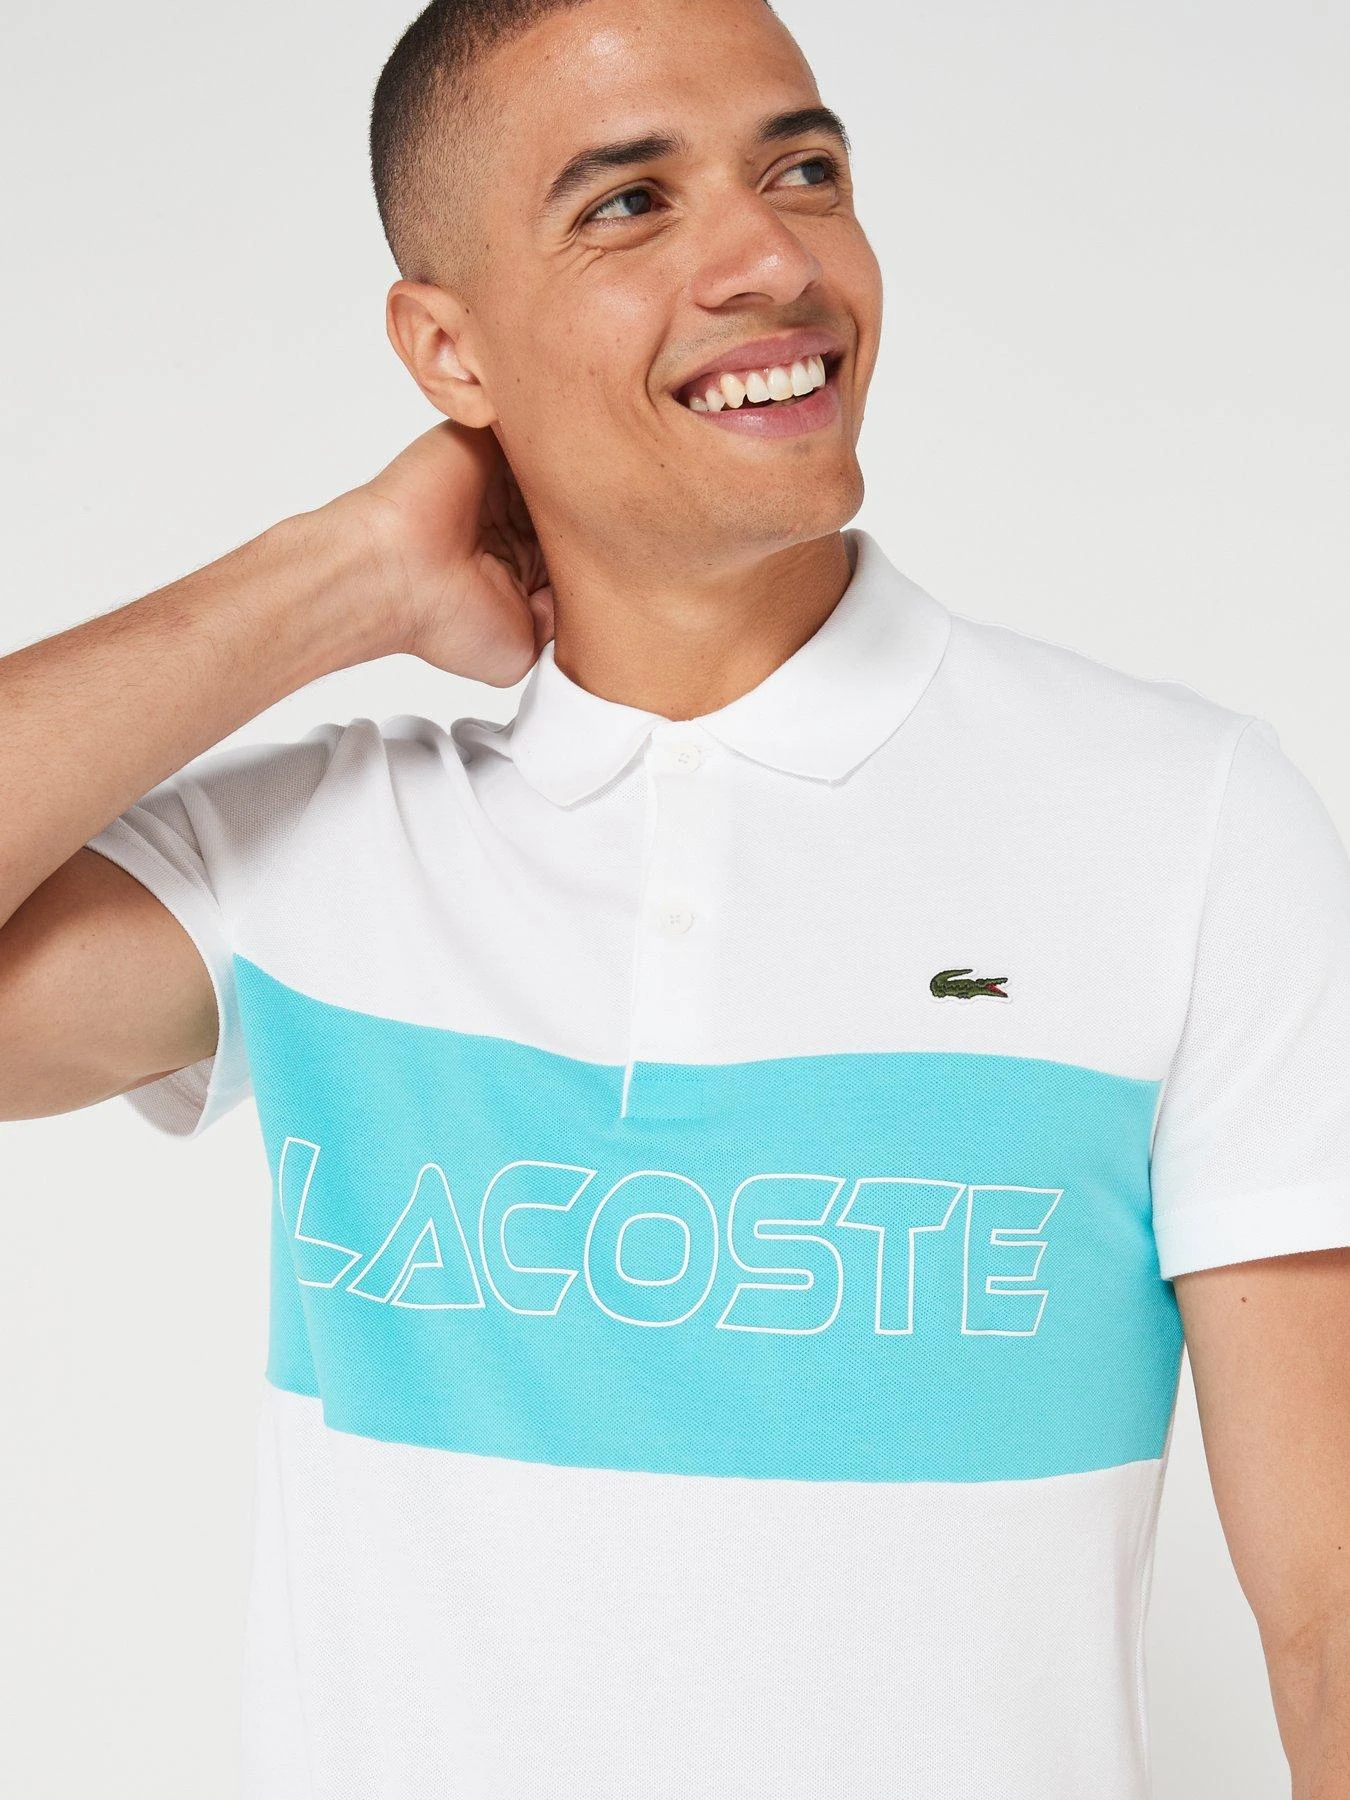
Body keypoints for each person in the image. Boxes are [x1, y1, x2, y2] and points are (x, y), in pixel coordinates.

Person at [2, 0, 1348, 1793]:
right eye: (628, 203)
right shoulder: (316, 856)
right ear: (446, 350)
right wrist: (339, 575)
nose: (771, 260)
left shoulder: (1183, 822)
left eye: (803, 171)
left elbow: (1329, 1615)